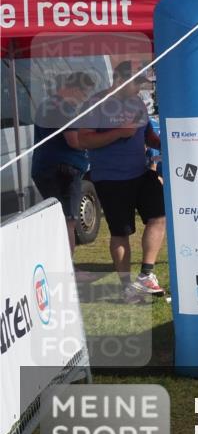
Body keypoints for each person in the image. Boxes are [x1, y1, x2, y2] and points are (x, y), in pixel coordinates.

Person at [78, 62, 166, 303]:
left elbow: (147, 135)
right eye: (136, 82)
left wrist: (167, 142)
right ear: (119, 79)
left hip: (140, 172)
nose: (140, 88)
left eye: (142, 83)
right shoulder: (96, 103)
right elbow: (83, 139)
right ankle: (127, 287)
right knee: (120, 232)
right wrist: (118, 132)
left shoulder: (138, 103)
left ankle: (145, 275)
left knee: (159, 215)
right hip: (111, 178)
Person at [31, 72, 95, 253]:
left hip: (44, 167)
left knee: (56, 219)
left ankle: (58, 262)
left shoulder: (46, 104)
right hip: (64, 170)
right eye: (84, 94)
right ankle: (67, 268)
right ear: (74, 89)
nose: (84, 98)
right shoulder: (65, 108)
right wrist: (96, 142)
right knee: (68, 221)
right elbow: (74, 141)